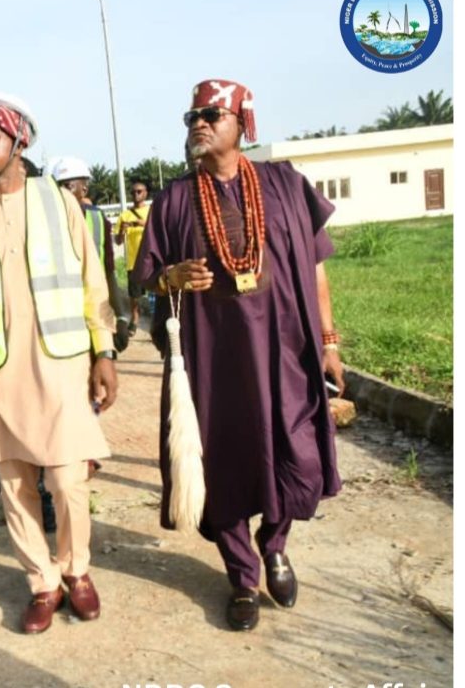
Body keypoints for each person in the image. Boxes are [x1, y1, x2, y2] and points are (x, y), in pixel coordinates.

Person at [134, 79, 344, 631]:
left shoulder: (284, 183)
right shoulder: (175, 198)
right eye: (190, 117)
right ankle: (242, 576)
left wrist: (328, 341)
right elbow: (146, 280)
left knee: (292, 449)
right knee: (222, 462)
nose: (197, 125)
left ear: (242, 125)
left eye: (210, 115)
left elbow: (318, 266)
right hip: (213, 362)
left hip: (285, 352)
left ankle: (275, 543)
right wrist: (170, 276)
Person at [0, 93, 118, 634]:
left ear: (19, 144)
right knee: (15, 486)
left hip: (62, 367)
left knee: (67, 481)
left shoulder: (58, 201)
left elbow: (92, 279)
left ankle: (76, 571)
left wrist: (104, 351)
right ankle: (42, 582)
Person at [51, 156, 130, 352]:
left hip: (96, 318)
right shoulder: (46, 222)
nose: (61, 192)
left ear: (83, 189)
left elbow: (109, 272)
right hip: (61, 323)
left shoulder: (97, 220)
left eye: (68, 186)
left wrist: (120, 317)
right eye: (58, 186)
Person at [116, 179, 153, 331]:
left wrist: (143, 223)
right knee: (134, 295)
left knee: (156, 290)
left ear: (145, 193)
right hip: (133, 261)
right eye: (133, 192)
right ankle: (135, 318)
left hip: (151, 259)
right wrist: (122, 230)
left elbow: (158, 229)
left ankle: (157, 319)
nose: (136, 195)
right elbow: (118, 241)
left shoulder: (152, 211)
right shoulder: (124, 215)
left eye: (139, 191)